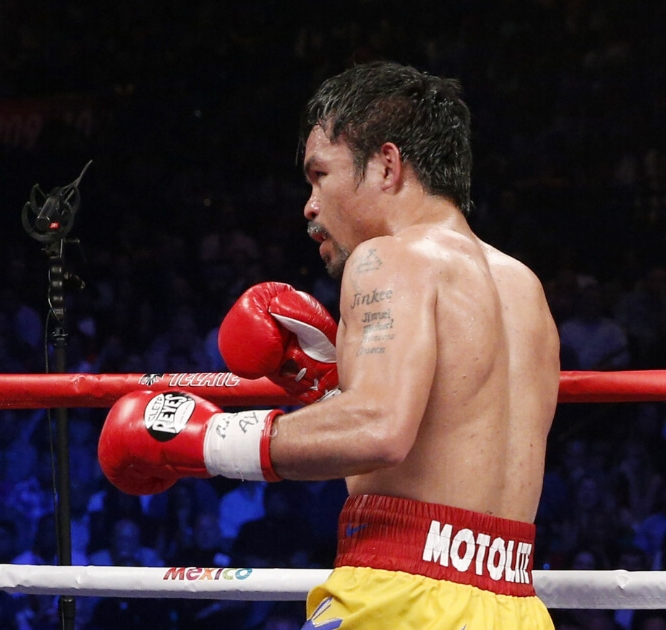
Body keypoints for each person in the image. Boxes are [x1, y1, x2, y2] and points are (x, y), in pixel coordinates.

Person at [98, 61, 559, 628]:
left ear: (387, 165)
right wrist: (325, 390)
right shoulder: (524, 287)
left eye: (320, 175)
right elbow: (442, 450)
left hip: (400, 600)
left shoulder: (388, 257)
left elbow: (378, 430)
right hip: (514, 602)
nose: (310, 205)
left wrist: (205, 440)